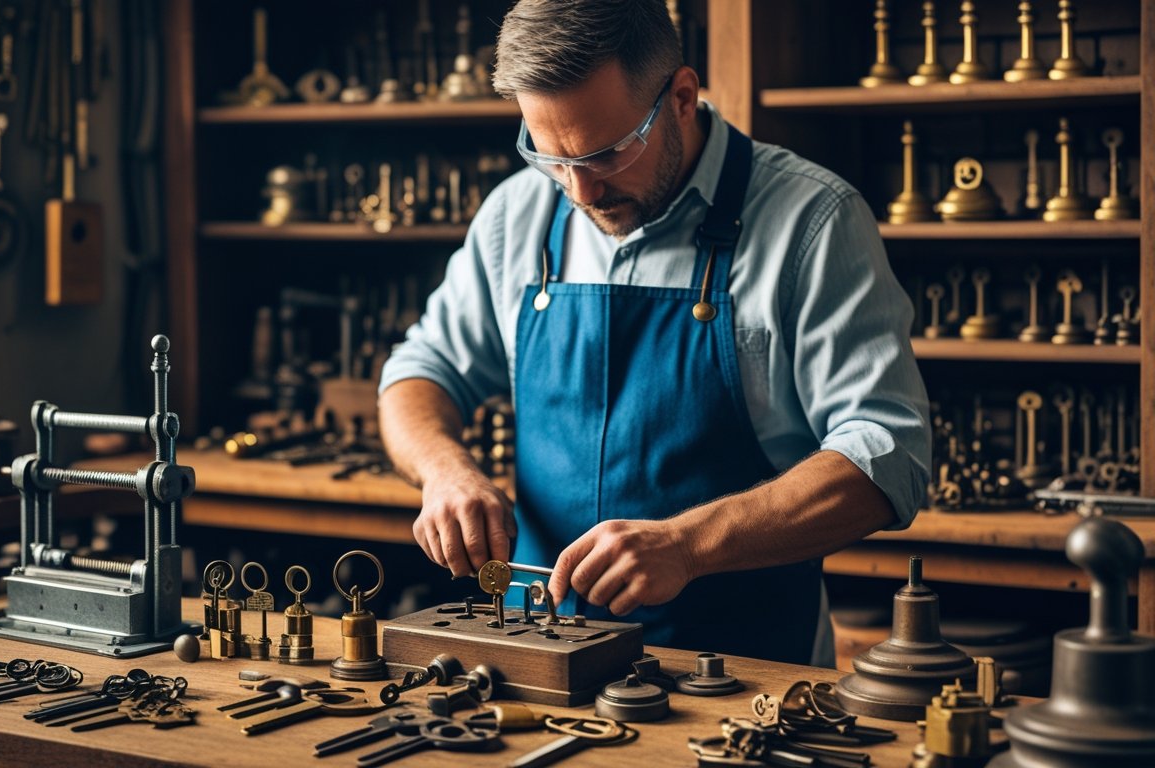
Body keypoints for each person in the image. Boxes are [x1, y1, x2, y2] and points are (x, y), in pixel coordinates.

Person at [377, 0, 930, 665]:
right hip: (538, 662)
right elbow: (420, 371)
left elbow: (886, 454)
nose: (579, 192)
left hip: (740, 678)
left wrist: (690, 545)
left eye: (606, 154)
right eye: (549, 156)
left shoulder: (812, 221)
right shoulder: (516, 214)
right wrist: (445, 471)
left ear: (682, 98)